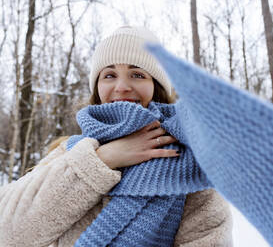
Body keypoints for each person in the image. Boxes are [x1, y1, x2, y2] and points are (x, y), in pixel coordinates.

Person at [0, 26, 233, 247]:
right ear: (97, 88)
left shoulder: (188, 166)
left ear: (156, 86)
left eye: (137, 74)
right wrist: (102, 160)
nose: (122, 86)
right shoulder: (70, 151)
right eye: (109, 75)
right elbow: (9, 235)